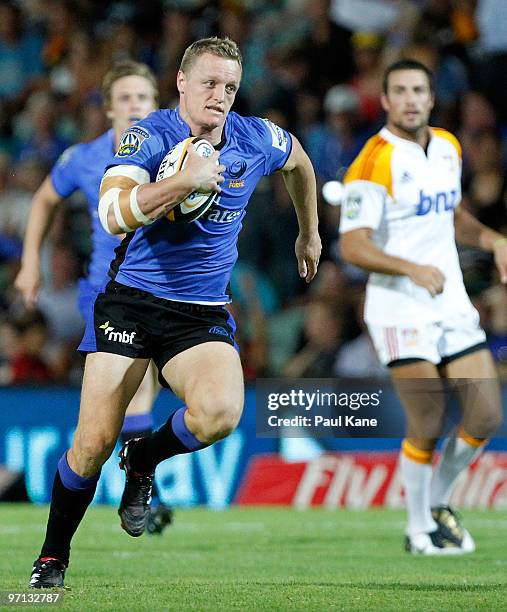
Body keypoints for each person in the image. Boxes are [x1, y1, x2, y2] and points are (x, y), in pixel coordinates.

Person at [28, 37, 321, 588]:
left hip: (200, 309)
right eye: (210, 83)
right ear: (181, 84)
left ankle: (143, 459)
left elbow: (300, 162)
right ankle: (52, 557)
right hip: (131, 301)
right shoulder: (150, 134)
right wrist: (182, 182)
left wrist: (309, 232)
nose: (220, 96)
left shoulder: (255, 136)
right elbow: (113, 213)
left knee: (221, 414)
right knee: (90, 445)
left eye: (230, 87)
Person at [339, 59, 506, 555]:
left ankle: (436, 502)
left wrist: (492, 238)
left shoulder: (449, 147)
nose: (411, 99)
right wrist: (410, 269)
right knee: (429, 417)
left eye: (419, 90)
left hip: (449, 298)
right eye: (400, 91)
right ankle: (417, 531)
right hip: (398, 308)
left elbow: (450, 212)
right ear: (386, 101)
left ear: (431, 98)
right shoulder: (373, 162)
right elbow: (352, 246)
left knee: (484, 415)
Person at [15, 61, 174, 542]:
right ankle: (142, 485)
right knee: (133, 390)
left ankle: (137, 481)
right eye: (124, 98)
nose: (134, 107)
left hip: (164, 289)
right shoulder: (82, 159)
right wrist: (30, 264)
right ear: (108, 109)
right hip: (106, 291)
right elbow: (44, 200)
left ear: (156, 105)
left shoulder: (174, 152)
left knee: (132, 395)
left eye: (142, 98)